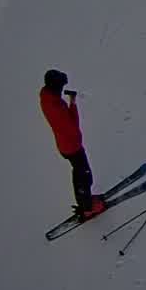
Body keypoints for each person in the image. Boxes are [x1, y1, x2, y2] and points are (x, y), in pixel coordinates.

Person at [40, 70, 105, 219]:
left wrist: (72, 102)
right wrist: (73, 105)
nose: (62, 89)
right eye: (61, 86)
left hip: (65, 145)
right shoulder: (55, 106)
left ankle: (85, 200)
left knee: (79, 172)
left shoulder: (48, 99)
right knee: (84, 174)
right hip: (72, 146)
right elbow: (72, 126)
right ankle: (88, 207)